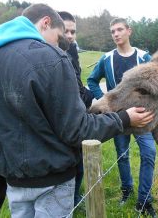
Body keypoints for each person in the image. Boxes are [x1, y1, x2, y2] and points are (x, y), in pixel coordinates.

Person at [0, 4, 154, 218]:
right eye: (58, 37)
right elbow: (77, 130)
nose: (60, 45)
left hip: (14, 182)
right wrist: (124, 119)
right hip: (52, 180)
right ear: (46, 23)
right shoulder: (51, 58)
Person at [87, 18, 157, 217]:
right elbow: (92, 80)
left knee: (149, 153)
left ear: (129, 31)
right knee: (122, 155)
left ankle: (145, 201)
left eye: (119, 30)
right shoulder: (106, 58)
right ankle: (127, 192)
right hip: (117, 118)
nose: (116, 34)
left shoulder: (144, 57)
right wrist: (103, 100)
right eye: (112, 31)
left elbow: (156, 83)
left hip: (142, 116)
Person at [58, 11, 94, 207]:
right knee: (70, 167)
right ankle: (68, 202)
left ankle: (74, 198)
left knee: (79, 166)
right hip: (63, 125)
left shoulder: (72, 51)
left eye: (73, 31)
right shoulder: (51, 55)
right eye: (66, 31)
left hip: (76, 120)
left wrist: (85, 94)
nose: (70, 36)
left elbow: (77, 84)